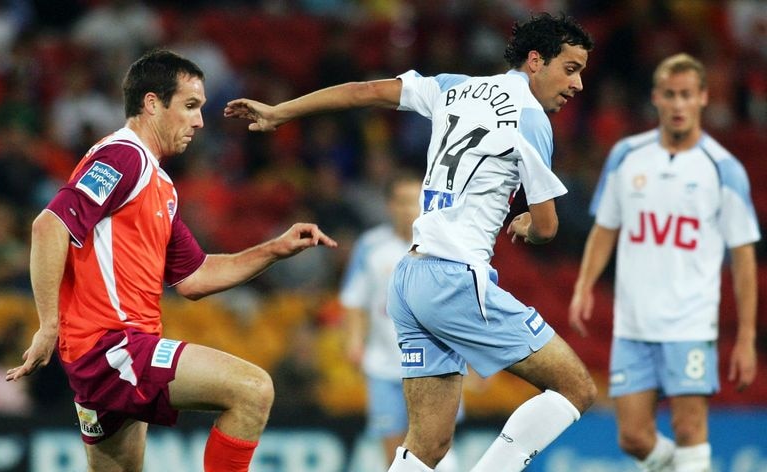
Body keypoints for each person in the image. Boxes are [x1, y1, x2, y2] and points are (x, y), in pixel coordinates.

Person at [226, 12, 597, 472]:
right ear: (536, 61)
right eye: (571, 68)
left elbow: (363, 92)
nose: (578, 85)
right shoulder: (530, 120)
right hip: (455, 279)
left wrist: (282, 111)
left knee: (428, 445)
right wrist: (524, 225)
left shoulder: (453, 87)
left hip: (411, 279)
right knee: (576, 388)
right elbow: (547, 227)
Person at [5, 49, 337, 472]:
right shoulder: (124, 156)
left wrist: (275, 249)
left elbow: (194, 277)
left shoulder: (158, 182)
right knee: (252, 389)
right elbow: (49, 226)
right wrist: (47, 325)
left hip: (110, 357)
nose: (199, 121)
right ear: (151, 103)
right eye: (190, 106)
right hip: (113, 347)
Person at [568, 53, 759, 472]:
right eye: (669, 95)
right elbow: (605, 228)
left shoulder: (723, 169)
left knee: (690, 428)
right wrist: (584, 284)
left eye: (686, 95)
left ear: (703, 98)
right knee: (633, 437)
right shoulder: (626, 156)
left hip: (690, 323)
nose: (677, 104)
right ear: (655, 98)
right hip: (633, 324)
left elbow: (743, 258)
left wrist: (745, 337)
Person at [339, 172, 461, 471]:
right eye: (402, 202)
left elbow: (462, 304)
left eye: (415, 202)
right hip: (384, 366)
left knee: (439, 447)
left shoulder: (446, 246)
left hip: (436, 366)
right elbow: (354, 299)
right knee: (393, 456)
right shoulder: (370, 246)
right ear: (389, 205)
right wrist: (354, 340)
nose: (408, 209)